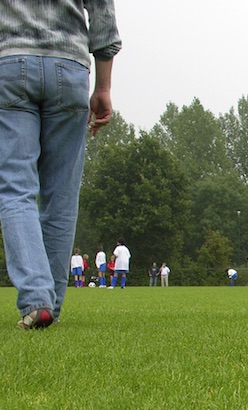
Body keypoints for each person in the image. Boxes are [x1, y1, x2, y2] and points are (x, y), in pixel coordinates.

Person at [0, 0, 121, 329]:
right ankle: (49, 304)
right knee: (62, 194)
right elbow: (103, 15)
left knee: (16, 188)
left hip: (9, 60)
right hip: (69, 66)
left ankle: (36, 300)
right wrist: (104, 86)